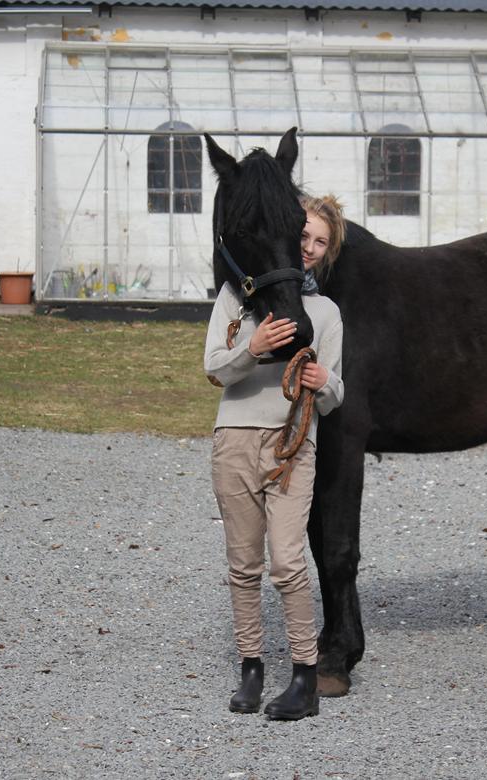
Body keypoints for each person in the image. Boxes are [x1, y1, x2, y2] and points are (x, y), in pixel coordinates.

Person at [204, 194, 346, 721]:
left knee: (288, 562)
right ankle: (251, 669)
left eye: (319, 243)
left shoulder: (326, 314)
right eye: (302, 236)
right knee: (243, 564)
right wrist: (255, 347)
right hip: (234, 440)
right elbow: (215, 370)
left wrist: (325, 381)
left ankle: (305, 677)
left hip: (291, 446)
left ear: (327, 252)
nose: (307, 249)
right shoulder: (234, 300)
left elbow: (334, 399)